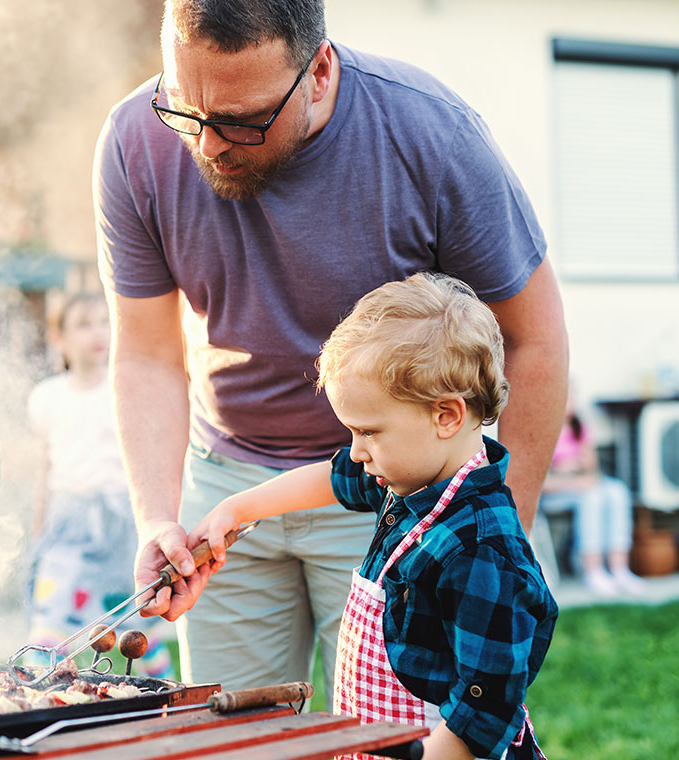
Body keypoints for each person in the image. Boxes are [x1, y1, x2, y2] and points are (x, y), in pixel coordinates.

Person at [93, 0, 568, 691]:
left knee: (395, 733)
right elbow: (145, 354)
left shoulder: (431, 135)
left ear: (317, 72)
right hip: (226, 487)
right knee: (234, 738)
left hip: (396, 484)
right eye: (185, 108)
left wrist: (492, 538)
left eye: (242, 120)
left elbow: (537, 338)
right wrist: (160, 518)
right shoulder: (134, 140)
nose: (208, 144)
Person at [189, 273, 557, 760]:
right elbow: (332, 477)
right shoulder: (412, 475)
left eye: (369, 431)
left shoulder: (481, 549)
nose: (357, 451)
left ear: (446, 415)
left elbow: (484, 712)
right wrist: (236, 509)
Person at [25, 291, 173, 677]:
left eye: (104, 322)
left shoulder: (124, 389)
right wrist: (39, 532)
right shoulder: (46, 397)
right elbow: (45, 472)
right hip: (69, 522)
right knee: (52, 619)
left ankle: (163, 697)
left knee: (129, 622)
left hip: (121, 521)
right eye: (83, 324)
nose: (97, 332)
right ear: (59, 338)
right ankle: (40, 694)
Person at [540, 395, 645, 597]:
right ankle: (592, 569)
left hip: (581, 485)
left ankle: (619, 568)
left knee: (617, 491)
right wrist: (567, 476)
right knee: (592, 498)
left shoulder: (580, 429)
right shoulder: (542, 430)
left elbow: (592, 470)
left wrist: (580, 470)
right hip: (555, 494)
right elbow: (541, 482)